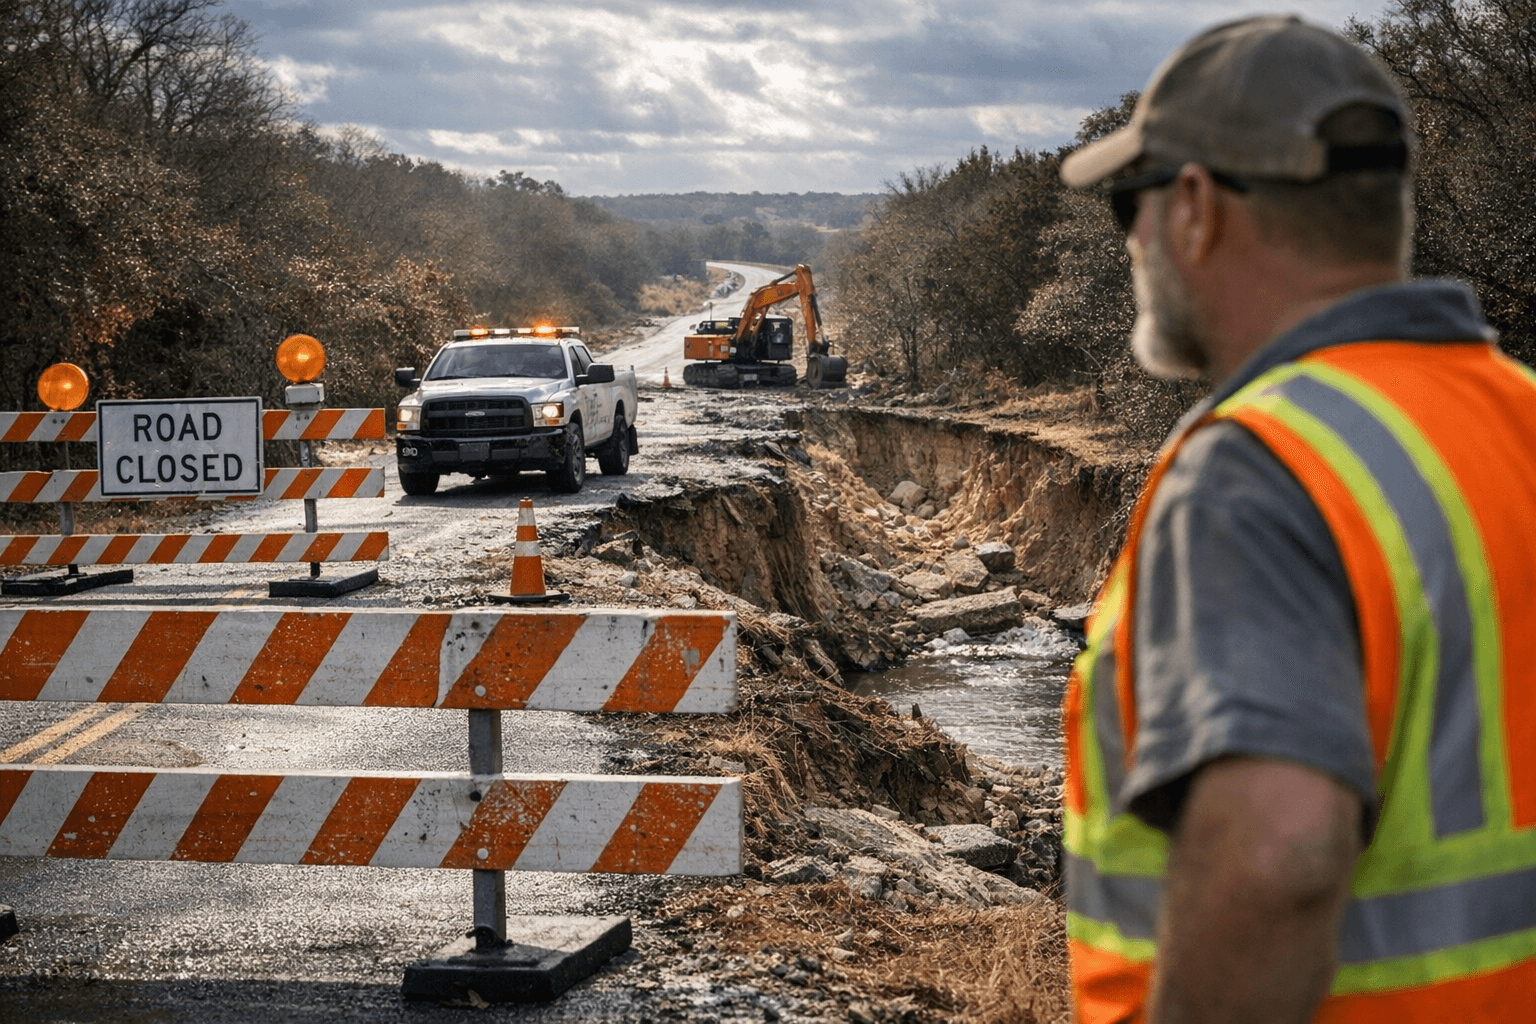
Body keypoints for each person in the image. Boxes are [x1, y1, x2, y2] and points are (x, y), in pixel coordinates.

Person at [1057, 14, 1536, 1023]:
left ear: (1195, 208)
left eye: (1129, 205)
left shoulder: (1258, 469)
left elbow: (1276, 855)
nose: (1131, 241)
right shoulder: (1515, 420)